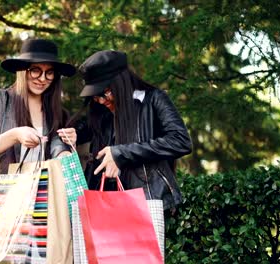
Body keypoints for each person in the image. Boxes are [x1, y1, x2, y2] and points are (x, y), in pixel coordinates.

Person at [0, 39, 77, 246]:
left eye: (49, 73)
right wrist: (14, 135)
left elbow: (58, 149)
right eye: (35, 71)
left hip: (39, 216)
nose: (42, 78)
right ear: (22, 71)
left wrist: (67, 148)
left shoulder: (58, 113)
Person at [75, 50, 192, 212]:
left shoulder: (153, 100)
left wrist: (121, 154)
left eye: (104, 93)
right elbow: (75, 131)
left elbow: (181, 141)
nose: (101, 100)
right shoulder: (100, 113)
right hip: (103, 208)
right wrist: (71, 134)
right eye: (95, 96)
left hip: (145, 203)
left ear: (120, 83)